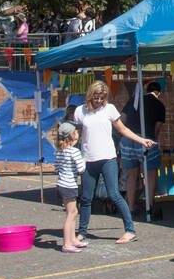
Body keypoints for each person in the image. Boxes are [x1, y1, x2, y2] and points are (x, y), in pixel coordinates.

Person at [75, 80, 152, 245]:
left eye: (102, 98)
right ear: (90, 96)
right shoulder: (80, 112)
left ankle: (130, 230)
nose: (99, 101)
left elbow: (123, 129)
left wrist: (141, 140)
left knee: (114, 194)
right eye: (96, 97)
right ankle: (82, 232)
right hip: (88, 159)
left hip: (108, 158)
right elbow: (76, 135)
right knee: (86, 197)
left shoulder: (109, 109)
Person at [122, 81, 166, 216]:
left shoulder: (134, 99)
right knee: (150, 174)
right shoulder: (159, 105)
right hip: (146, 139)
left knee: (131, 174)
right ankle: (149, 206)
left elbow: (122, 119)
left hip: (128, 139)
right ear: (159, 93)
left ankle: (130, 207)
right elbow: (157, 128)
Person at [55, 122, 86, 252]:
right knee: (71, 213)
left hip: (61, 184)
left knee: (73, 212)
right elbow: (81, 169)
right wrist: (84, 160)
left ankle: (73, 239)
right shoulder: (75, 152)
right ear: (72, 135)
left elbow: (57, 168)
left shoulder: (59, 151)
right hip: (69, 185)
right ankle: (67, 243)